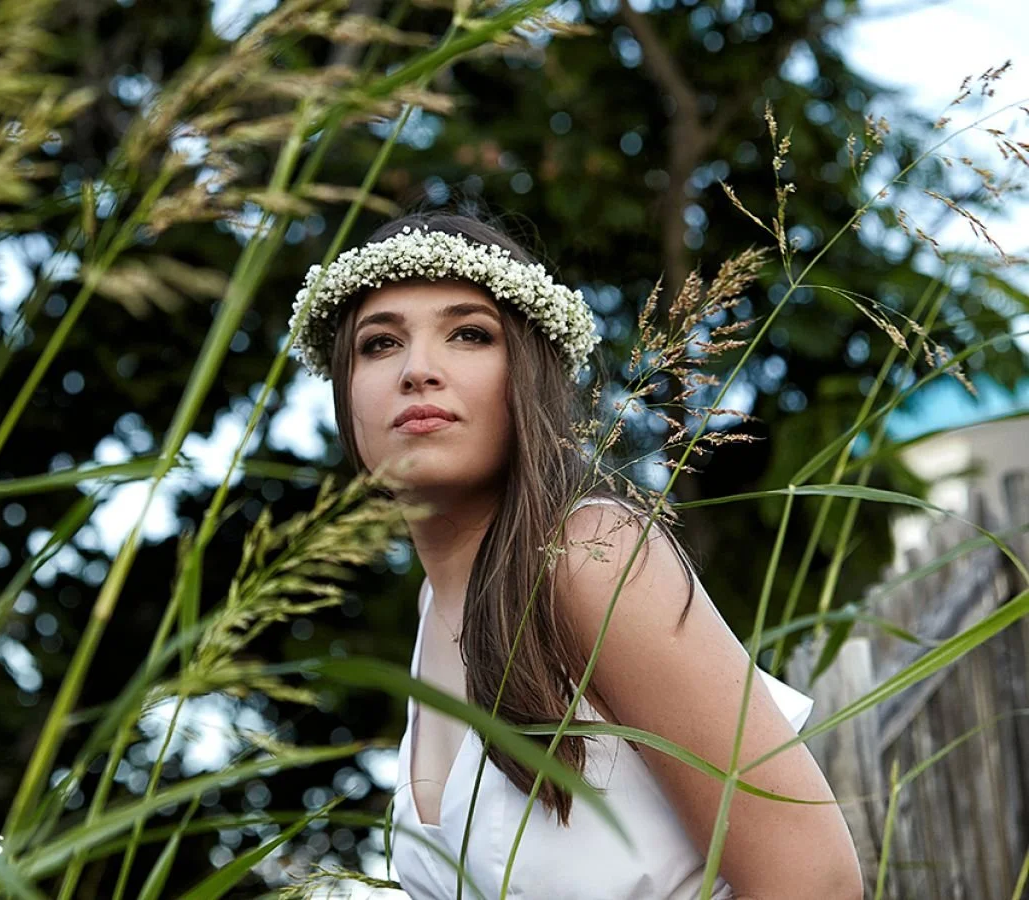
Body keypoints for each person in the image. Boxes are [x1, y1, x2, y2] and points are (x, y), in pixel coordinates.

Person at [287, 207, 864, 899]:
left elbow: (815, 882)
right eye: (379, 345)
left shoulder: (589, 556)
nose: (417, 370)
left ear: (527, 375)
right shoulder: (433, 608)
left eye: (469, 334)